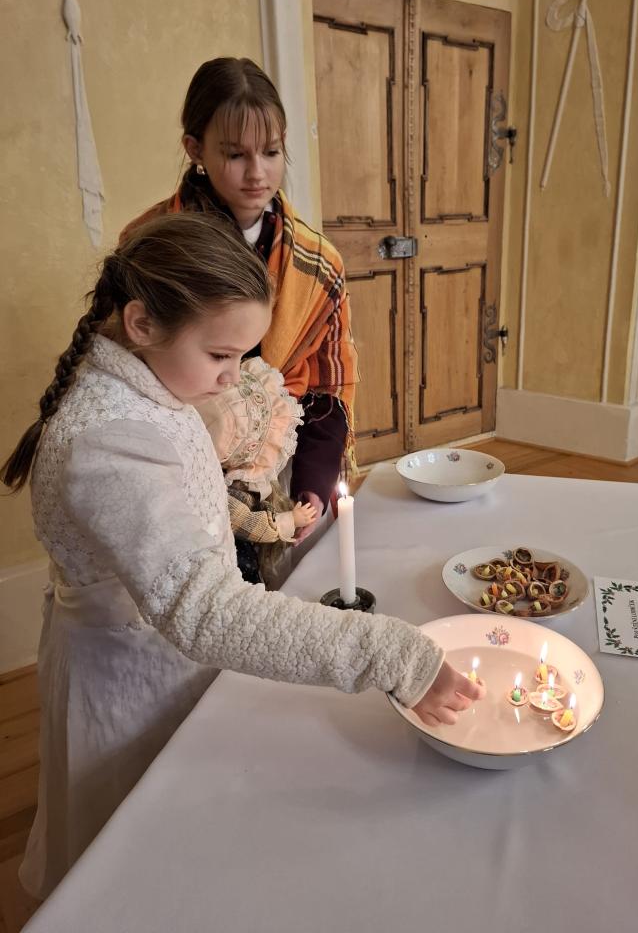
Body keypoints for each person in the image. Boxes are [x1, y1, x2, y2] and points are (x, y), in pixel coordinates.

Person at [1, 213, 482, 900]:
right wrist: (390, 654)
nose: (232, 378)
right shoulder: (107, 442)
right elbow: (202, 611)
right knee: (139, 867)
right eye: (221, 356)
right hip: (131, 680)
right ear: (142, 323)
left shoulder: (147, 381)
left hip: (168, 654)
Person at [122, 56, 354, 550]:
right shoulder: (148, 245)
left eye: (271, 152)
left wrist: (312, 489)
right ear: (195, 149)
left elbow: (327, 388)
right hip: (174, 467)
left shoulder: (320, 264)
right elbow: (127, 374)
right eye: (234, 155)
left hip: (278, 472)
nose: (257, 173)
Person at [196, 355, 318, 584]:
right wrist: (290, 519)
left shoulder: (215, 477)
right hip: (236, 561)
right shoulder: (221, 493)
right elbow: (251, 523)